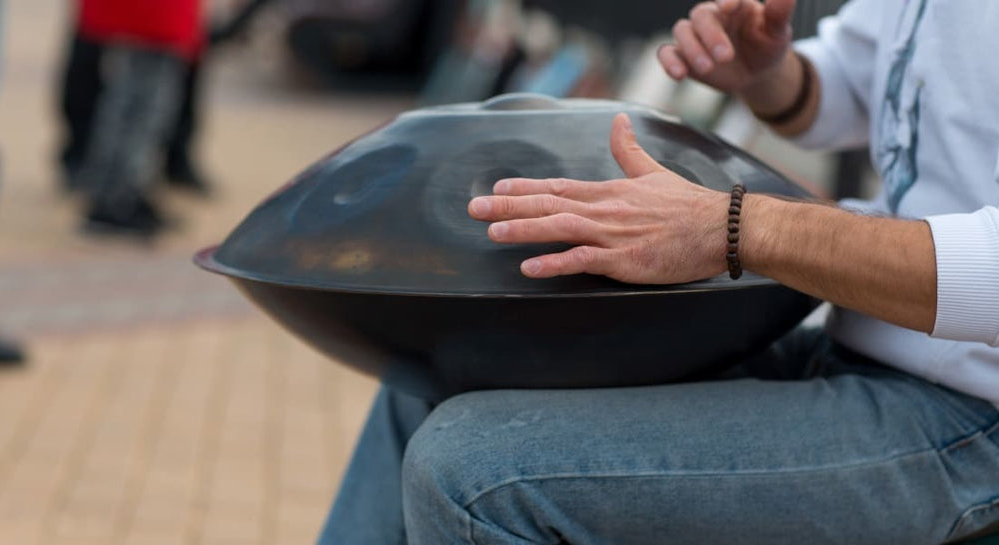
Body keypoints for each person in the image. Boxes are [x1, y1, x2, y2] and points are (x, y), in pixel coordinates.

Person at [318, 0, 999, 543]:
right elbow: (855, 89)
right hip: (864, 338)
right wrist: (769, 73)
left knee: (474, 473)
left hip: (971, 415)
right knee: (442, 363)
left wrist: (737, 226)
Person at [71, 0, 203, 237]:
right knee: (143, 107)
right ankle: (121, 198)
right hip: (155, 14)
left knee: (130, 100)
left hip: (146, 14)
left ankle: (114, 192)